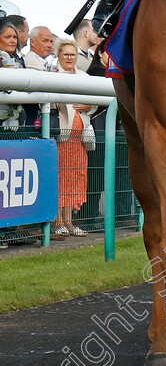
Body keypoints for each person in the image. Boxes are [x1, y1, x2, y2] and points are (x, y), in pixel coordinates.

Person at [52, 41, 94, 238]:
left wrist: (86, 107)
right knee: (60, 177)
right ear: (59, 55)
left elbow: (95, 101)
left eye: (73, 54)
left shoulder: (84, 77)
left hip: (80, 138)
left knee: (76, 177)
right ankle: (58, 221)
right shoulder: (52, 75)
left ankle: (69, 221)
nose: (69, 58)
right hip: (62, 136)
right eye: (66, 54)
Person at [0, 20, 24, 131]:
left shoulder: (19, 63)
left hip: (17, 121)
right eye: (8, 37)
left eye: (15, 37)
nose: (12, 40)